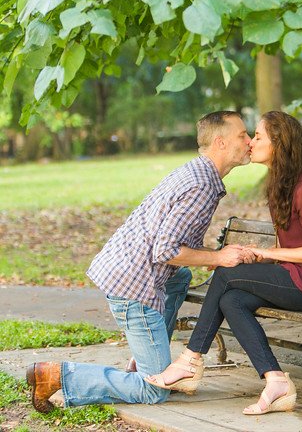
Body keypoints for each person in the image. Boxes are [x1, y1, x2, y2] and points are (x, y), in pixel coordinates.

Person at [26, 110, 255, 413]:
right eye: (243, 135)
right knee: (154, 390)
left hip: (125, 271)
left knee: (180, 277)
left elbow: (171, 240)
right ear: (220, 142)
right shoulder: (201, 185)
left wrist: (208, 258)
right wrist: (217, 256)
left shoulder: (199, 173)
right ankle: (56, 376)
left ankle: (148, 350)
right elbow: (166, 250)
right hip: (135, 289)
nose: (250, 141)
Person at [146, 111, 302, 416]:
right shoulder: (282, 183)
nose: (251, 142)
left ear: (280, 144)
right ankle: (275, 380)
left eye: (258, 136)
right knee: (233, 300)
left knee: (227, 273)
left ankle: (189, 361)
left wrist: (266, 255)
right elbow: (290, 244)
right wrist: (259, 253)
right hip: (299, 277)